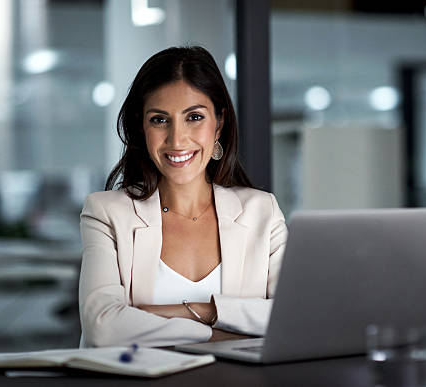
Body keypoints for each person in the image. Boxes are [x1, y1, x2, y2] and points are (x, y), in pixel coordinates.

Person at [78, 46, 288, 347]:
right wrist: (225, 331)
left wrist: (202, 311)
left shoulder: (262, 212)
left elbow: (292, 318)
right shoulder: (106, 213)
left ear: (219, 124)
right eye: (160, 120)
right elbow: (104, 329)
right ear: (142, 127)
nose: (177, 140)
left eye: (194, 117)